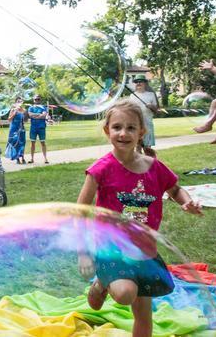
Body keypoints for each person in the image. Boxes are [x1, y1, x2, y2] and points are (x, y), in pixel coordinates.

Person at [77, 99, 202, 336]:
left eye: (131, 128)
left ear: (141, 132)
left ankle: (103, 284)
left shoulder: (154, 167)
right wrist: (83, 252)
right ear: (107, 131)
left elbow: (175, 189)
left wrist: (187, 201)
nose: (123, 133)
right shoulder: (100, 169)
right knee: (125, 294)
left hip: (145, 249)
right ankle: (102, 282)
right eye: (117, 127)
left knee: (144, 313)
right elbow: (81, 210)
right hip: (110, 248)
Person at [129, 75, 159, 156]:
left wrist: (151, 106)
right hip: (136, 124)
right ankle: (138, 165)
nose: (138, 83)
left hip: (148, 123)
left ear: (145, 83)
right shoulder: (132, 96)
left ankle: (149, 165)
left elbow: (156, 110)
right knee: (138, 146)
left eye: (140, 81)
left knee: (147, 148)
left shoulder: (151, 94)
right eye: (136, 82)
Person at [27, 94, 49, 164]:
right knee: (32, 143)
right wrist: (39, 115)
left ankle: (45, 159)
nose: (37, 100)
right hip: (33, 127)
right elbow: (30, 115)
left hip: (41, 127)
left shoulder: (43, 107)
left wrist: (35, 115)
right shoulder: (31, 107)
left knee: (43, 143)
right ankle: (32, 158)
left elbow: (44, 115)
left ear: (40, 100)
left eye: (38, 99)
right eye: (35, 99)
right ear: (33, 100)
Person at [6, 97, 27, 164]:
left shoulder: (23, 110)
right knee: (15, 143)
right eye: (18, 101)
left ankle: (23, 157)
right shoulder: (13, 110)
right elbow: (9, 119)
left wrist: (24, 113)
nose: (19, 102)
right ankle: (17, 158)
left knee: (22, 142)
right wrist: (14, 113)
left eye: (21, 101)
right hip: (14, 128)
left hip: (21, 128)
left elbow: (26, 120)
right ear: (15, 102)